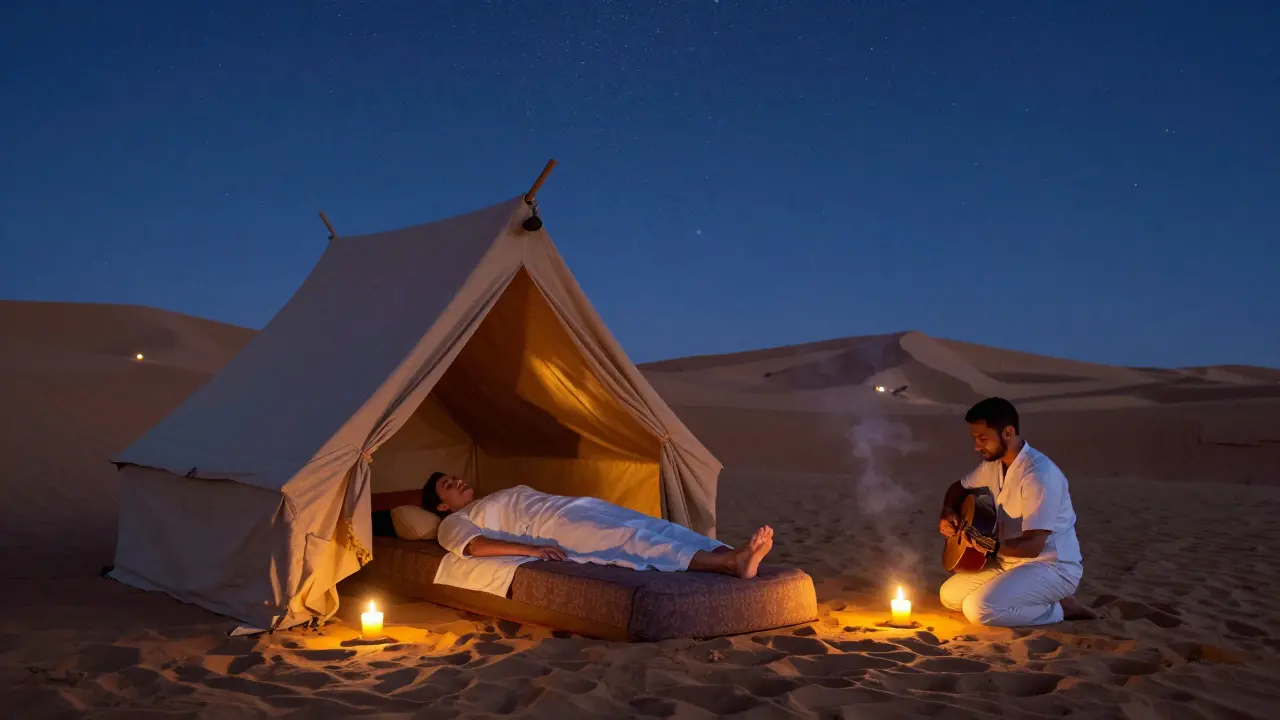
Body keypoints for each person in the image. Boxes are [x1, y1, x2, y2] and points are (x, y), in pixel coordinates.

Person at [421, 472, 775, 579]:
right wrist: (531, 550)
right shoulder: (453, 522)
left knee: (653, 524)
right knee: (631, 539)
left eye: (455, 478)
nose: (458, 481)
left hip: (575, 507)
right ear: (441, 505)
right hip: (555, 526)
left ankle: (731, 553)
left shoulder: (486, 499)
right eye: (448, 485)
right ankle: (727, 564)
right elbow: (475, 547)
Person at [937, 397, 1095, 626]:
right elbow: (958, 488)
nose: (977, 447)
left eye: (983, 439)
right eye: (975, 439)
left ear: (1008, 432)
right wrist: (948, 511)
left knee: (978, 609)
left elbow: (1033, 546)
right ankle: (1017, 592)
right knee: (949, 596)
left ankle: (1062, 608)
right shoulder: (992, 466)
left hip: (1050, 566)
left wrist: (991, 546)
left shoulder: (1038, 475)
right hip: (1008, 562)